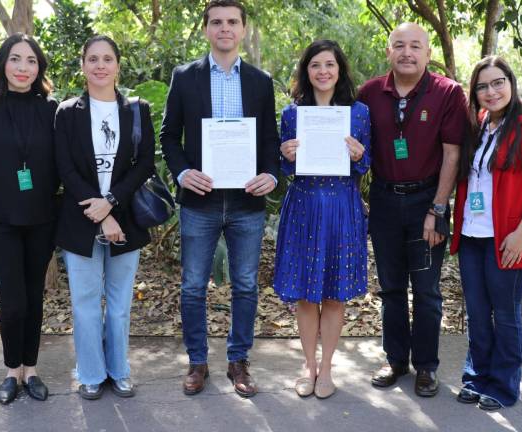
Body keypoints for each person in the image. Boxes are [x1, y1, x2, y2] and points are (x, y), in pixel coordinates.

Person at [160, 0, 280, 398]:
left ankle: (238, 361)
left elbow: (269, 142)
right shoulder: (185, 77)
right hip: (200, 201)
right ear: (206, 29)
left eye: (232, 22)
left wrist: (271, 174)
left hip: (246, 202)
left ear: (243, 29)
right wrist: (181, 172)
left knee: (245, 285)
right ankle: (197, 363)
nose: (224, 28)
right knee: (193, 286)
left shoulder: (261, 82)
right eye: (216, 22)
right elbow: (168, 137)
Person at [357, 22, 467, 397]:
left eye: (415, 46)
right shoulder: (370, 93)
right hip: (385, 201)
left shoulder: (448, 93)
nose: (407, 52)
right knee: (390, 289)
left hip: (426, 201)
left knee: (426, 290)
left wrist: (438, 210)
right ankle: (395, 360)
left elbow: (453, 154)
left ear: (428, 53)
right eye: (399, 45)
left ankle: (426, 367)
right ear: (388, 51)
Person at [450, 56, 522, 411]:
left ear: (511, 83)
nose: (491, 91)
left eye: (498, 82)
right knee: (478, 312)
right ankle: (476, 377)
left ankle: (502, 385)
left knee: (506, 312)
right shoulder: (479, 124)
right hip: (471, 235)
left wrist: (521, 233)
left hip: (509, 239)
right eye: (482, 86)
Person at [54, 35, 155, 400]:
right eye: (93, 59)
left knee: (119, 303)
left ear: (117, 65)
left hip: (126, 217)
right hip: (79, 219)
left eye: (107, 58)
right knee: (84, 303)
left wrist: (110, 203)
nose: (100, 65)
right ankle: (91, 373)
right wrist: (98, 212)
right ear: (83, 65)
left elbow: (145, 163)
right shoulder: (67, 112)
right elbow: (64, 167)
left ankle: (120, 370)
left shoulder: (137, 109)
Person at [274, 40, 371, 399]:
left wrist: (359, 154)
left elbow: (366, 163)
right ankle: (308, 366)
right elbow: (286, 168)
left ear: (340, 70)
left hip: (342, 206)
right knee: (304, 294)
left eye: (329, 64)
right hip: (303, 206)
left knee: (333, 295)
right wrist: (285, 154)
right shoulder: (292, 114)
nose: (323, 71)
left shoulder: (358, 113)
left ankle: (327, 367)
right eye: (315, 65)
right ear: (307, 71)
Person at [0, 33, 58, 405]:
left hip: (41, 220)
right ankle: (10, 370)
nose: (23, 68)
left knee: (34, 297)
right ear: (3, 64)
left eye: (31, 61)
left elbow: (64, 165)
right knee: (13, 301)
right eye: (16, 59)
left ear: (40, 68)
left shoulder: (53, 111)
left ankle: (30, 370)